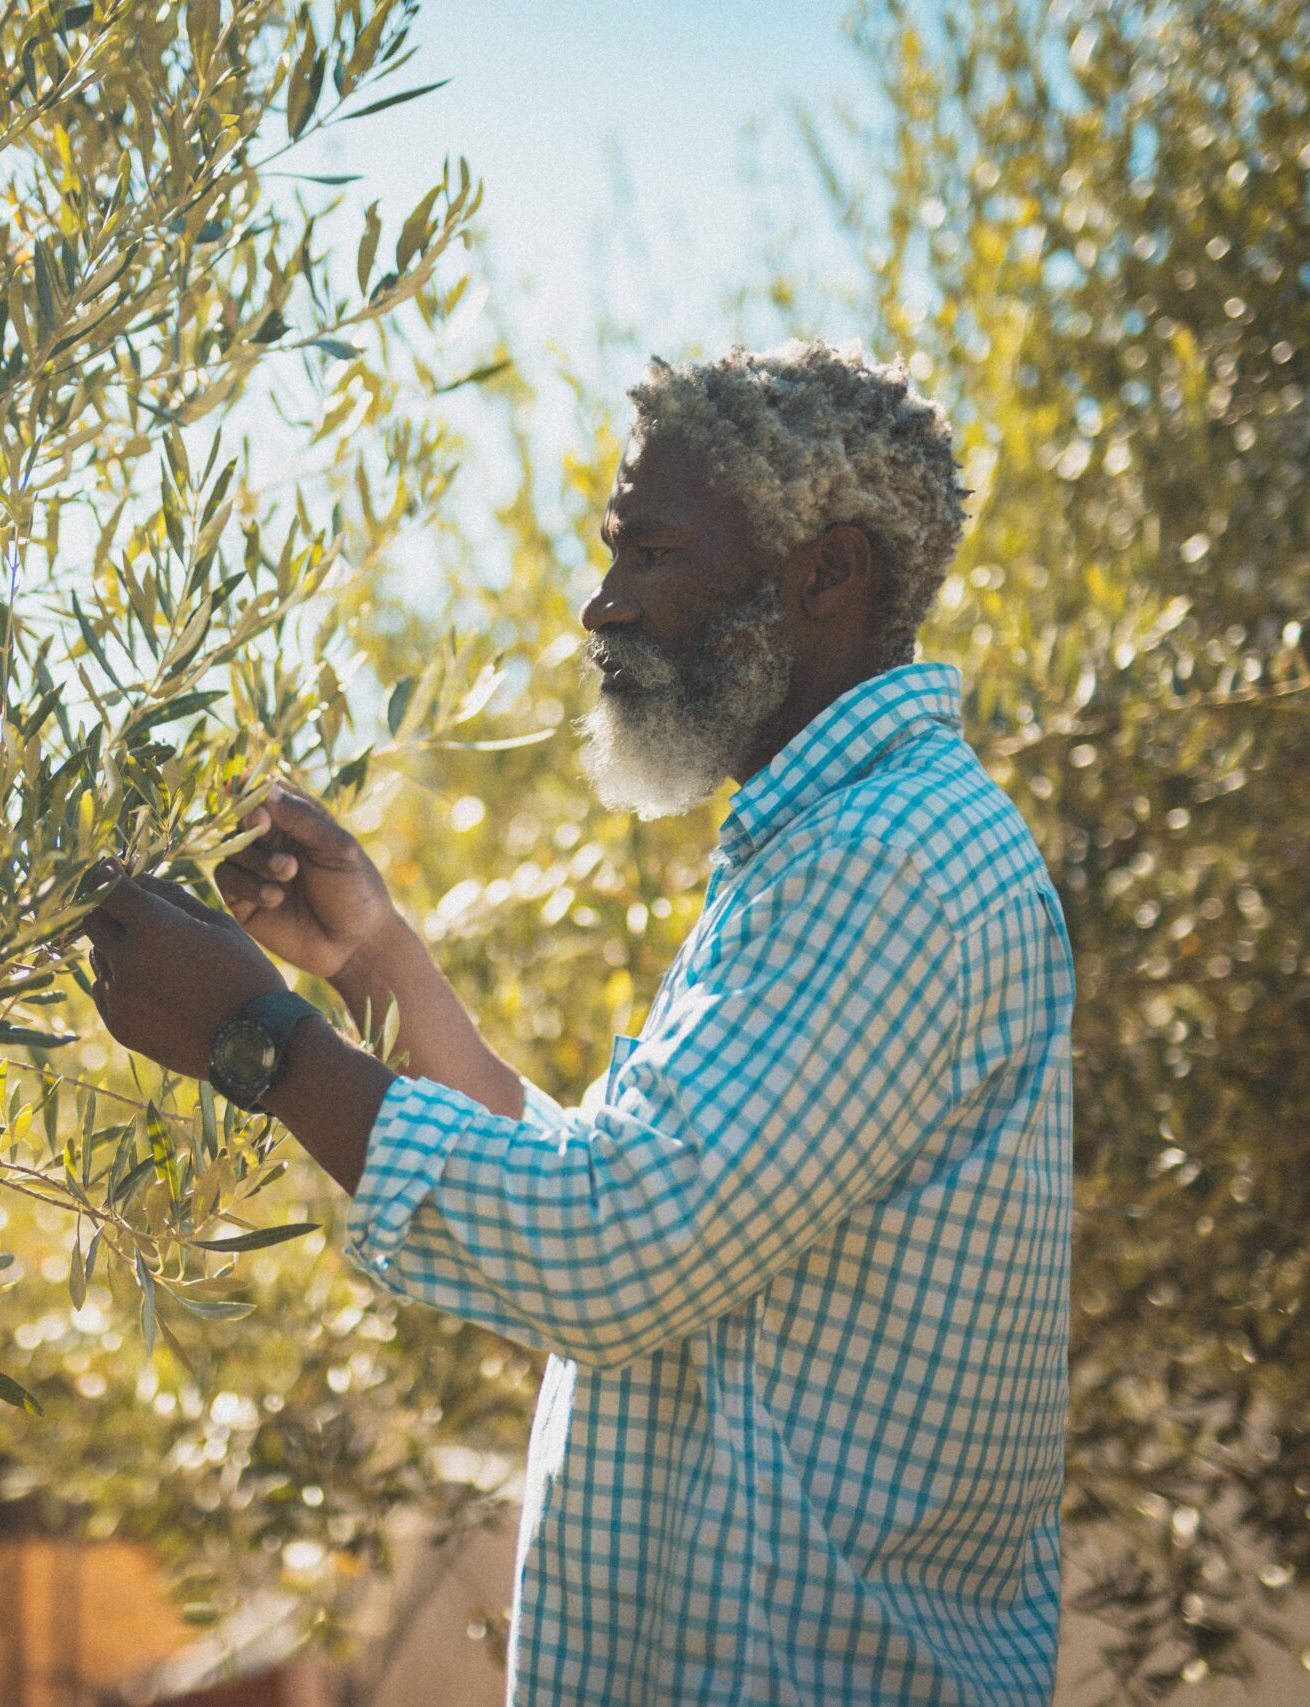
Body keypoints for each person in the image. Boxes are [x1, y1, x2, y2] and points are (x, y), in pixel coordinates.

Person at [79, 340, 1073, 1706]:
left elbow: (608, 1254)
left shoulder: (884, 862)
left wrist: (260, 1042)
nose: (603, 609)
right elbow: (621, 1214)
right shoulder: (838, 842)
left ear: (827, 575)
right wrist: (371, 961)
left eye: (650, 553)